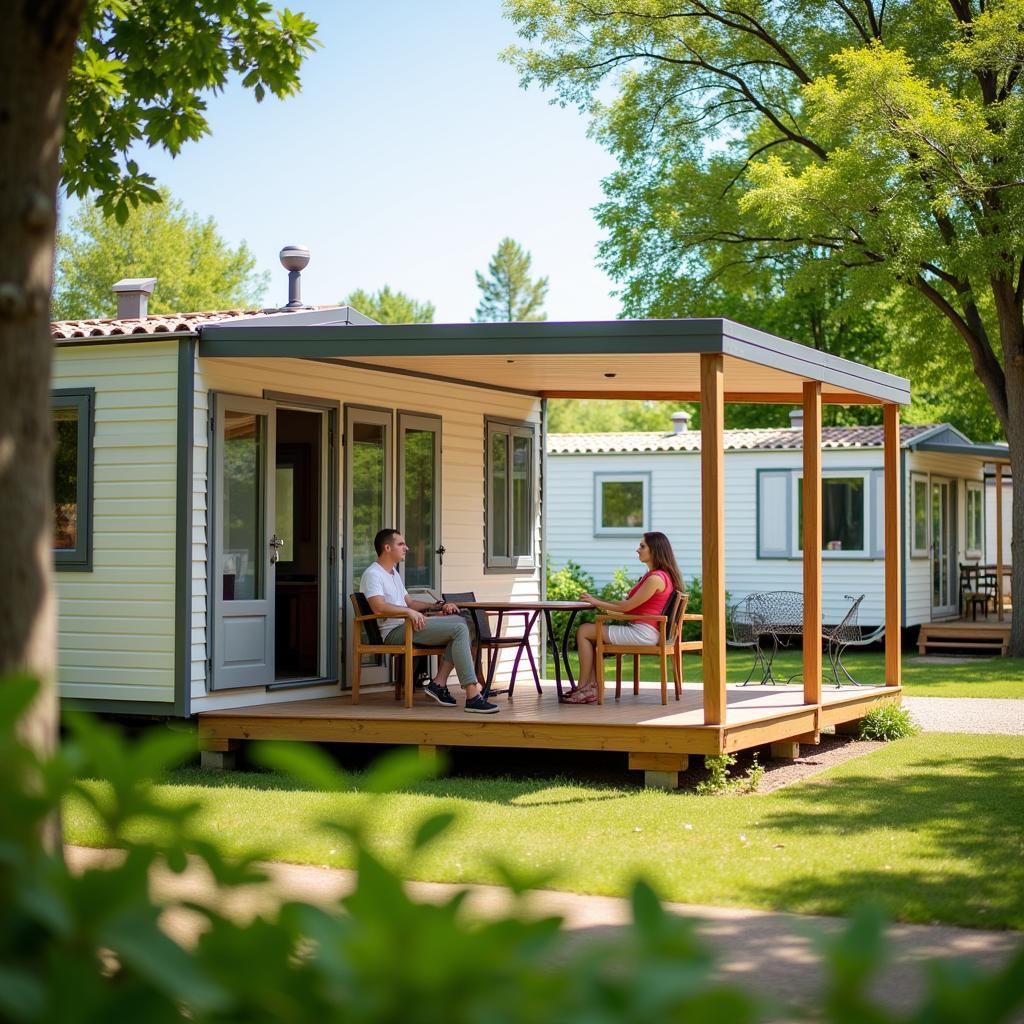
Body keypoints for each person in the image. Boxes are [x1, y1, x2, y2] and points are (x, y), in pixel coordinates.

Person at [359, 528, 499, 714]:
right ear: (387, 547)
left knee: (465, 622)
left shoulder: (393, 573)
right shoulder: (373, 574)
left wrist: (437, 607)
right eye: (401, 544)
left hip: (409, 625)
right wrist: (409, 612)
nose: (406, 548)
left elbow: (410, 602)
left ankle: (438, 684)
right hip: (396, 632)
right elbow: (378, 607)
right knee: (459, 628)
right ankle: (472, 694)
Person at [564, 531, 683, 704]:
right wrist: (598, 602)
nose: (638, 550)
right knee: (593, 636)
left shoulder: (655, 578)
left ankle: (583, 687)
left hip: (644, 633)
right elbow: (627, 604)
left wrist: (597, 602)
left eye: (642, 546)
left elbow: (627, 606)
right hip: (645, 630)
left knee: (584, 631)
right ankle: (591, 688)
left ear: (654, 550)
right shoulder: (658, 575)